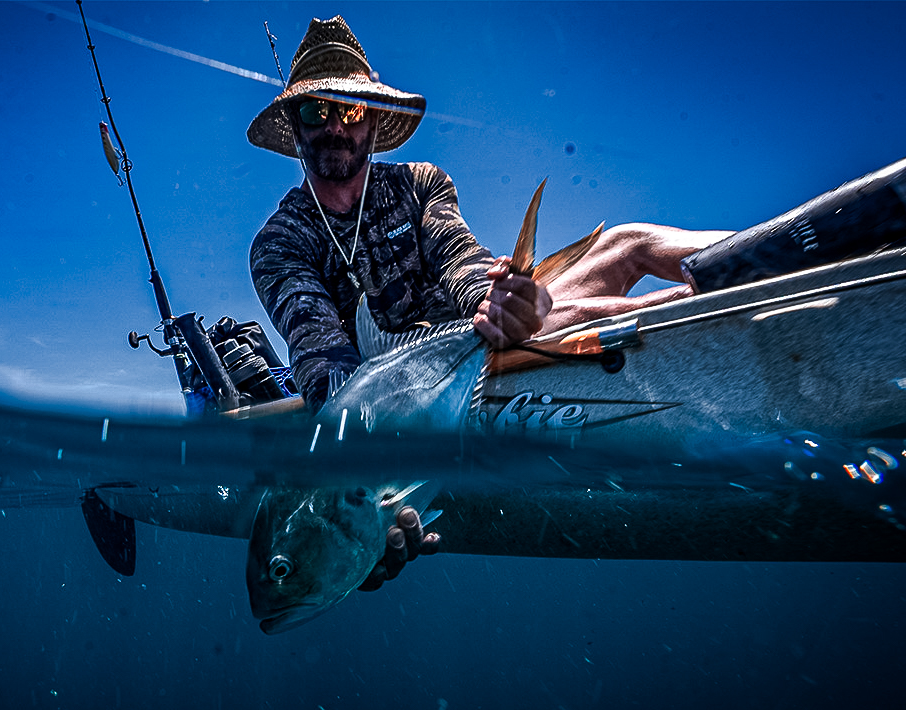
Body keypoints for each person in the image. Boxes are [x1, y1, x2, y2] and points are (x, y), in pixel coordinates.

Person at [246, 16, 734, 588]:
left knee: (630, 242)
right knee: (584, 316)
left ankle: (774, 253)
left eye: (348, 109)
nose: (332, 125)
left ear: (373, 120)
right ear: (295, 129)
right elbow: (322, 360)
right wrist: (360, 493)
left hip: (478, 338)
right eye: (314, 111)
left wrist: (499, 303)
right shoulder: (279, 243)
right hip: (420, 402)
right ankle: (720, 318)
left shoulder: (420, 184)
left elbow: (461, 259)